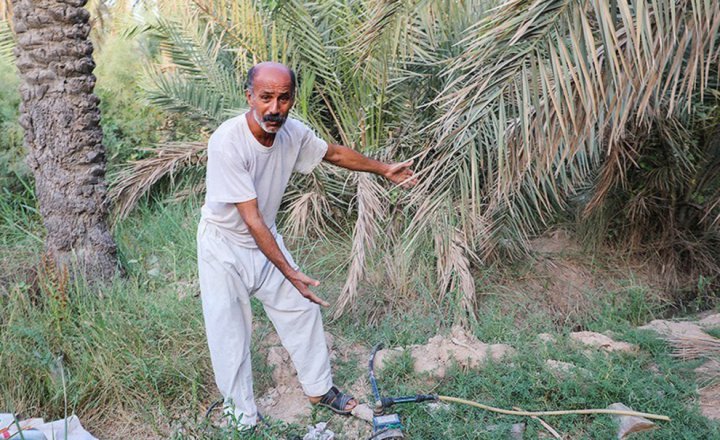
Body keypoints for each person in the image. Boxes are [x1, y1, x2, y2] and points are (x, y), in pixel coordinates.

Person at [196, 61, 417, 431]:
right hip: (224, 246)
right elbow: (251, 220)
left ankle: (319, 390)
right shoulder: (226, 142)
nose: (274, 108)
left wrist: (383, 169)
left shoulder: (291, 133)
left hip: (264, 238)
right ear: (249, 96)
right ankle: (243, 420)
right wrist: (290, 271)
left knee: (301, 308)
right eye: (266, 97)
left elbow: (333, 153)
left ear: (292, 99)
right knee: (229, 334)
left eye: (284, 98)